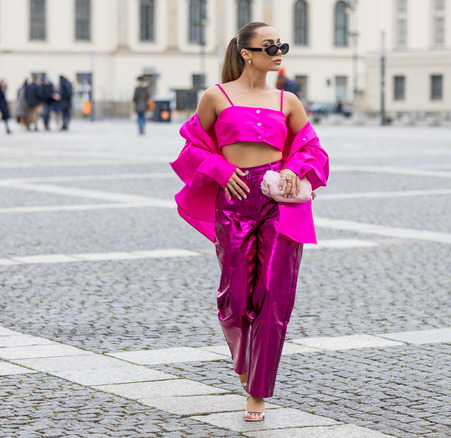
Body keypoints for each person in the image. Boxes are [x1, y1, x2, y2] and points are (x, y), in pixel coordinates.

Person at [170, 22, 328, 422]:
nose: (279, 52)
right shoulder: (216, 97)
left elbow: (312, 150)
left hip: (277, 201)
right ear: (246, 53)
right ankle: (243, 358)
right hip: (234, 201)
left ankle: (258, 391)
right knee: (236, 296)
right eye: (270, 46)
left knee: (274, 296)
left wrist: (295, 167)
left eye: (282, 46)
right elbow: (191, 149)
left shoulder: (288, 101)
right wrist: (221, 170)